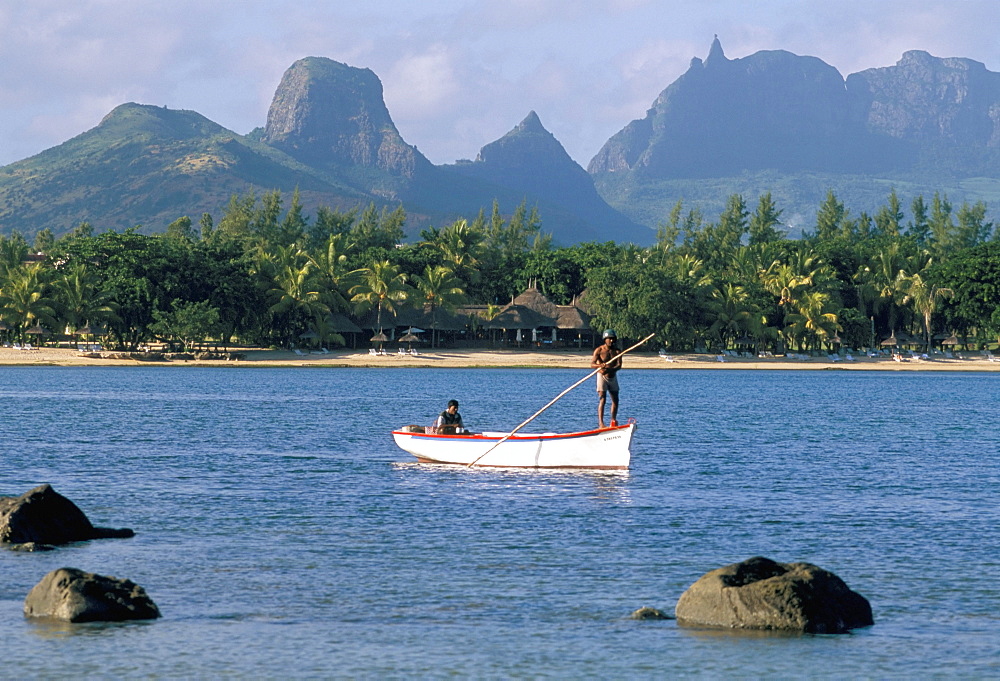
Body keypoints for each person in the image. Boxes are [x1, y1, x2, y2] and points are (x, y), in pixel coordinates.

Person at [590, 329, 622, 428]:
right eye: (609, 339)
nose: (611, 341)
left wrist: (611, 369)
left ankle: (613, 420)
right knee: (602, 399)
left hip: (612, 376)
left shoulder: (617, 351)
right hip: (602, 376)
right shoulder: (599, 350)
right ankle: (601, 423)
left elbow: (619, 365)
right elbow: (592, 364)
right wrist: (601, 366)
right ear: (605, 339)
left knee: (615, 400)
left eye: (613, 339)